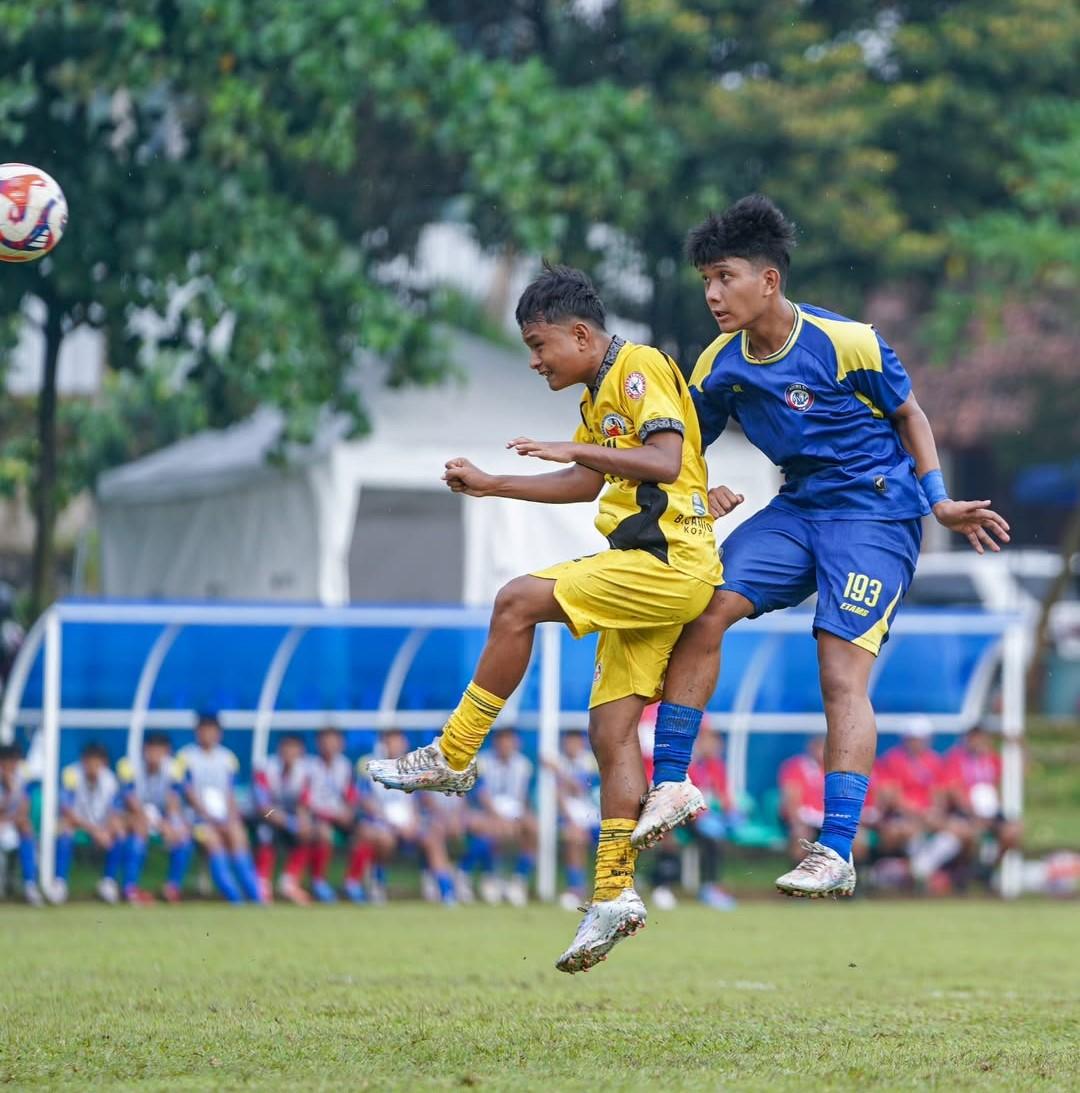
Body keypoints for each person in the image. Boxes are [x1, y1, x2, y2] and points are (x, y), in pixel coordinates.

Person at [631, 194, 1010, 899]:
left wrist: (940, 501)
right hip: (799, 509)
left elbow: (909, 411)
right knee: (703, 606)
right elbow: (676, 448)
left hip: (877, 517)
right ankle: (674, 782)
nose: (712, 294)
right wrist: (697, 490)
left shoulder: (849, 342)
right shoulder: (719, 366)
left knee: (840, 674)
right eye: (706, 281)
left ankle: (835, 848)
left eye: (725, 277)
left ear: (768, 280)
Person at [369, 262, 722, 972]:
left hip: (665, 563)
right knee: (610, 731)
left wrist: (574, 445)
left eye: (538, 345)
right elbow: (591, 479)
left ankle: (452, 753)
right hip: (650, 565)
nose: (534, 361)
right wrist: (495, 482)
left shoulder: (637, 367)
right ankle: (613, 894)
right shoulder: (598, 392)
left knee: (515, 600)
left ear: (581, 334)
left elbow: (663, 455)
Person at [176, 713, 263, 904]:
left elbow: (230, 794)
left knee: (238, 836)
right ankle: (235, 899)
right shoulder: (186, 757)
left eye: (212, 730)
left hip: (223, 818)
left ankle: (257, 898)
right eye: (203, 730)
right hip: (197, 820)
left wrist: (231, 819)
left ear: (219, 733)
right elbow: (188, 792)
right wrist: (209, 818)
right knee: (213, 842)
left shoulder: (227, 758)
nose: (207, 734)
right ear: (197, 732)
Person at [116, 732, 192, 904]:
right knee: (139, 828)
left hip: (160, 817)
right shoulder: (128, 766)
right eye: (151, 749)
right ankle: (129, 888)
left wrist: (172, 825)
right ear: (144, 750)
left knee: (183, 836)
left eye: (160, 750)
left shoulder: (174, 769)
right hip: (129, 816)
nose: (155, 755)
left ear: (167, 751)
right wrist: (160, 824)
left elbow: (173, 802)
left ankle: (172, 887)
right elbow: (132, 803)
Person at [55, 741, 125, 904]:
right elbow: (68, 812)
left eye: (97, 762)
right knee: (64, 829)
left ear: (104, 763)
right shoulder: (71, 775)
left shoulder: (110, 779)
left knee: (119, 832)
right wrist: (96, 831)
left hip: (101, 827)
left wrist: (106, 830)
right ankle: (59, 883)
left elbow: (113, 812)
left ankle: (108, 882)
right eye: (89, 761)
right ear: (82, 761)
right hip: (79, 826)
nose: (92, 766)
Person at [472, 728, 536, 907]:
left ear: (516, 743)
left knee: (533, 828)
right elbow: (481, 794)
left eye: (509, 741)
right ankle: (491, 877)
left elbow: (523, 797)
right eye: (502, 741)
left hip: (513, 811)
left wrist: (519, 817)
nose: (505, 745)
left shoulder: (523, 765)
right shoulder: (483, 762)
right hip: (488, 811)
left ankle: (518, 879)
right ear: (495, 743)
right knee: (491, 829)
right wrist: (498, 817)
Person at [304, 726, 364, 903]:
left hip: (340, 818)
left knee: (365, 833)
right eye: (324, 741)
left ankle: (352, 882)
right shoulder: (310, 767)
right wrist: (328, 814)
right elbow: (305, 801)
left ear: (341, 744)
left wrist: (349, 813)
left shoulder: (344, 766)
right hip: (318, 818)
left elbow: (351, 797)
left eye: (333, 741)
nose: (328, 745)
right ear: (318, 744)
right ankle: (318, 881)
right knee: (324, 833)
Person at [252, 734, 312, 905]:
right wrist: (288, 822)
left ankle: (289, 882)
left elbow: (303, 804)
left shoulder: (304, 772)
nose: (290, 753)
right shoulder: (265, 769)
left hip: (288, 818)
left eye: (294, 749)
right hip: (265, 816)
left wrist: (302, 823)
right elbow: (262, 807)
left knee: (306, 832)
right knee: (265, 833)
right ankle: (261, 884)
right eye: (286, 749)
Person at [687, 726, 738, 910]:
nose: (715, 747)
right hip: (686, 815)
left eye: (717, 744)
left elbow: (724, 796)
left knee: (717, 837)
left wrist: (731, 813)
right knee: (711, 839)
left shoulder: (716, 766)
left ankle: (715, 886)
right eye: (711, 743)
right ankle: (709, 888)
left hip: (707, 815)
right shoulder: (689, 764)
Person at [550, 730, 600, 910]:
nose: (572, 745)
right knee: (574, 838)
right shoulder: (560, 762)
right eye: (568, 742)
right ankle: (576, 888)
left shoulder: (589, 762)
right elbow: (558, 795)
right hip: (569, 817)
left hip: (593, 815)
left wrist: (558, 772)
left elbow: (580, 788)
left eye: (575, 742)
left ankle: (609, 889)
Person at [0, 743, 42, 905]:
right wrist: (9, 791)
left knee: (26, 829)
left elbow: (24, 808)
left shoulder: (21, 778)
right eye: (7, 762)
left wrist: (13, 819)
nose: (11, 766)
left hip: (10, 823)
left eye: (14, 762)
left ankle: (30, 885)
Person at [777, 737, 827, 862]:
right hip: (804, 818)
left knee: (853, 838)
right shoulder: (796, 767)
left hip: (827, 819)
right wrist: (796, 821)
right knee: (802, 836)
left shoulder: (837, 770)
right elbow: (791, 798)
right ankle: (796, 874)